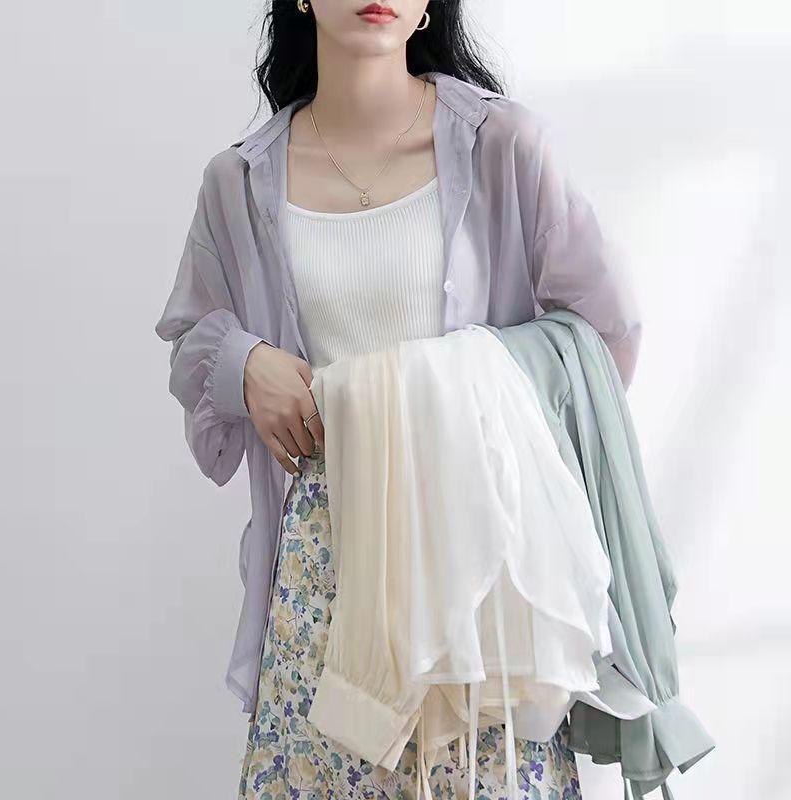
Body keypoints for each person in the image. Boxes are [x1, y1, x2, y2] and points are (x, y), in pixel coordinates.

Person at [154, 1, 642, 798]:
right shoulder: (239, 181)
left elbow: (603, 335)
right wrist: (244, 365)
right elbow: (189, 336)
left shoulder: (503, 146)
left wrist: (470, 403)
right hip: (325, 569)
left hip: (476, 562)